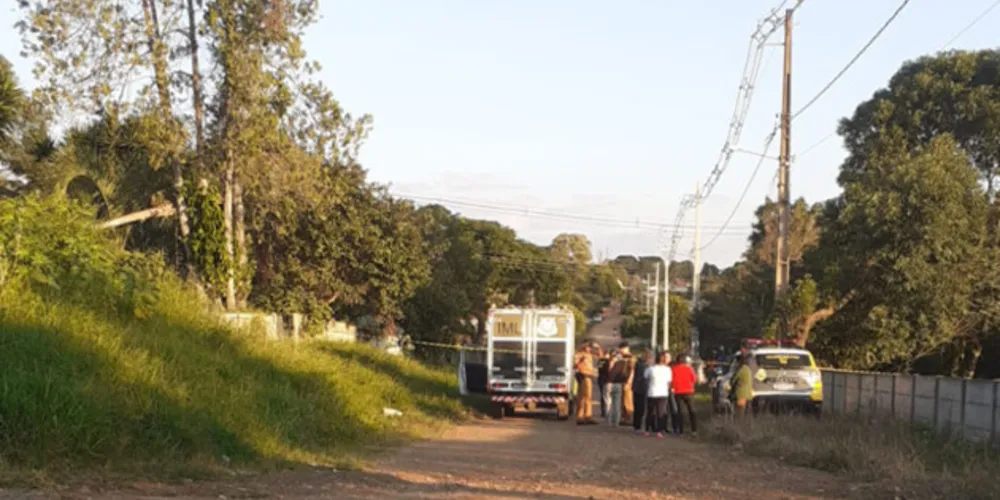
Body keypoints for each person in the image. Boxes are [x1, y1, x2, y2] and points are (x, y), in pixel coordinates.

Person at [644, 351, 673, 438]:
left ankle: (647, 430)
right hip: (663, 393)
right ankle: (659, 431)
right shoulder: (668, 369)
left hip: (652, 392)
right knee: (661, 412)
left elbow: (645, 377)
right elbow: (669, 382)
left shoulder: (650, 369)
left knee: (650, 412)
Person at [605, 342, 632, 427]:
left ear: (626, 348)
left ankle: (627, 418)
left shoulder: (630, 357)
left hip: (625, 381)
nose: (620, 350)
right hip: (619, 382)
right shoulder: (619, 356)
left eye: (621, 348)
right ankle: (621, 419)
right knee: (620, 402)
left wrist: (629, 382)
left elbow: (632, 371)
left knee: (627, 400)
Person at [671, 353, 698, 434]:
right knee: (692, 410)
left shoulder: (673, 369)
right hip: (689, 391)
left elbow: (671, 380)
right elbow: (694, 379)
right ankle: (694, 430)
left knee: (681, 411)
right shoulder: (689, 369)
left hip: (678, 392)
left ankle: (681, 430)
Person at [573, 342, 599, 425]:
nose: (589, 348)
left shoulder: (590, 354)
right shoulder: (579, 354)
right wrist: (581, 361)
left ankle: (588, 416)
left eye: (590, 347)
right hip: (583, 376)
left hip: (589, 376)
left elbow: (601, 356)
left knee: (588, 397)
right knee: (582, 397)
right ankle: (580, 417)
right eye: (588, 346)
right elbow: (575, 365)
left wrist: (598, 348)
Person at [631, 350, 652, 434]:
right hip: (642, 389)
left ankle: (636, 424)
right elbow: (645, 378)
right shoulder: (645, 366)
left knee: (637, 407)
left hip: (636, 387)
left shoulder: (637, 364)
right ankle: (638, 425)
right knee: (641, 408)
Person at [730, 351, 755, 418]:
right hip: (748, 395)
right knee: (744, 415)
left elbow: (733, 381)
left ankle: (738, 427)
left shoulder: (741, 370)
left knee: (738, 415)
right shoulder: (748, 369)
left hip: (741, 395)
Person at [596, 346, 611, 418]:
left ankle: (604, 412)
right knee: (605, 396)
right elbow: (600, 369)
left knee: (603, 395)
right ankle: (605, 411)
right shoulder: (604, 361)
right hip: (604, 379)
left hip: (601, 378)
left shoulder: (601, 360)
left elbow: (599, 369)